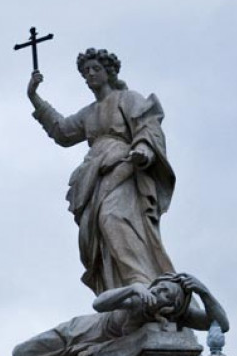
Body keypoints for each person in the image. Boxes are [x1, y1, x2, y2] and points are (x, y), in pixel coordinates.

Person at [28, 48, 176, 295]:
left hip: (123, 165)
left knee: (114, 218)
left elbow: (147, 125)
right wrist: (35, 98)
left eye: (95, 69)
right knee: (98, 234)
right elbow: (63, 132)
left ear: (109, 72)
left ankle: (140, 279)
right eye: (86, 71)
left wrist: (142, 148)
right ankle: (117, 287)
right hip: (94, 175)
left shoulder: (128, 99)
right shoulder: (89, 112)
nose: (90, 75)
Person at [13, 272, 228, 356]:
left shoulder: (177, 316)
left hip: (95, 351)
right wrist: (133, 288)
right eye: (159, 286)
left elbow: (220, 324)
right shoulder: (138, 299)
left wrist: (204, 292)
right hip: (78, 332)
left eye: (165, 293)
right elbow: (99, 304)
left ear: (170, 309)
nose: (157, 291)